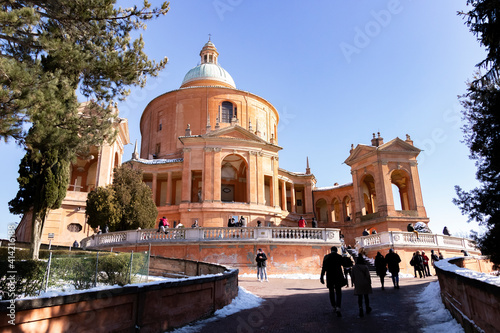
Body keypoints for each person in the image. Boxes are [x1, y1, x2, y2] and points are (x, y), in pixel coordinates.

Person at [320, 246, 346, 317]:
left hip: (330, 276)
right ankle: (338, 306)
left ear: (331, 250)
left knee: (331, 291)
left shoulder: (327, 257)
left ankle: (333, 305)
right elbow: (345, 265)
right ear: (337, 251)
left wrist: (321, 277)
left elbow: (324, 268)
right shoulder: (339, 257)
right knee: (338, 291)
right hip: (338, 276)